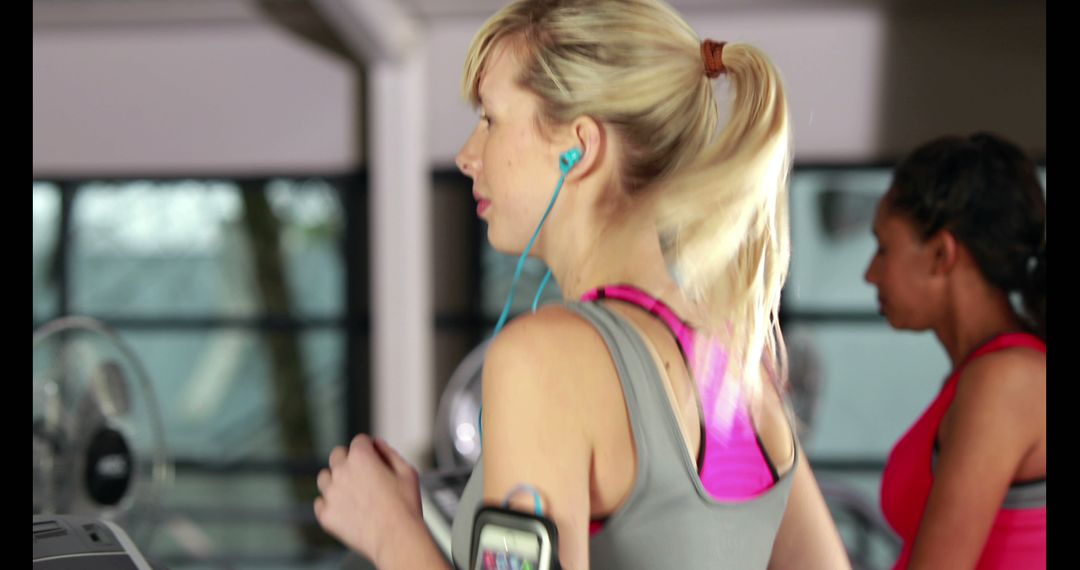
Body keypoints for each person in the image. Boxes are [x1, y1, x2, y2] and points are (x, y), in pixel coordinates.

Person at [314, 0, 849, 567]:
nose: (467, 156)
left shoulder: (545, 359)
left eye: (491, 119)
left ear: (579, 147)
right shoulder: (736, 362)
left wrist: (389, 531)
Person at [864, 132, 1046, 569]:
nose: (870, 274)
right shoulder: (986, 376)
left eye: (884, 247)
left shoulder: (1007, 381)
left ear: (942, 253)